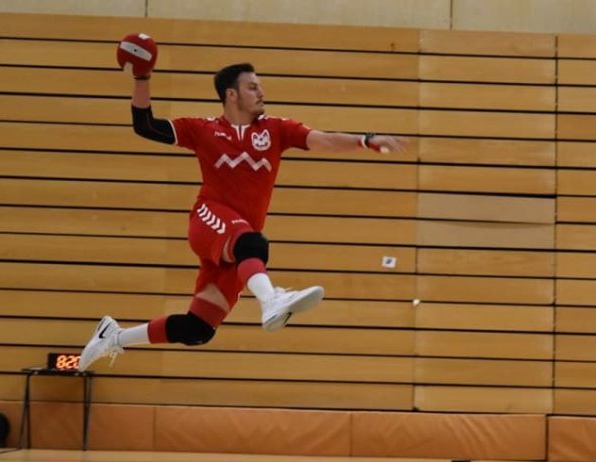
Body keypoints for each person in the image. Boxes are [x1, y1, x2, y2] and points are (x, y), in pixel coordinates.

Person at [79, 61, 407, 371]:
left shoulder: (277, 129)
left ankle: (114, 337)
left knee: (198, 328)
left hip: (237, 245)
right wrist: (142, 77)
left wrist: (365, 140)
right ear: (231, 94)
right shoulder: (202, 129)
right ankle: (271, 299)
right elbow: (145, 125)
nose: (261, 92)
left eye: (260, 86)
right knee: (252, 242)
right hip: (210, 220)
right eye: (252, 87)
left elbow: (326, 140)